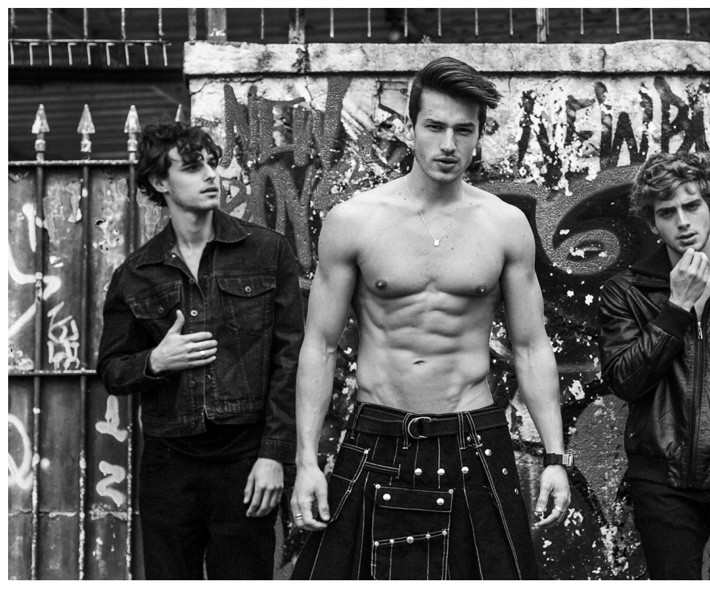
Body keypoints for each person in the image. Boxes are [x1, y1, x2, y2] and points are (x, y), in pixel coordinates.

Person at [289, 56, 571, 580]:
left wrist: (555, 457)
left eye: (464, 131)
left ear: (480, 135)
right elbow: (320, 345)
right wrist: (306, 460)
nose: (448, 144)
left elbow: (531, 346)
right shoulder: (354, 221)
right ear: (410, 126)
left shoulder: (505, 225)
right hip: (377, 435)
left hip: (474, 437)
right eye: (435, 127)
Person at [96, 121, 304, 579]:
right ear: (159, 182)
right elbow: (111, 369)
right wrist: (155, 361)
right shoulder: (137, 273)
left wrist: (273, 455)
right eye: (192, 167)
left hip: (244, 459)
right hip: (170, 464)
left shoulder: (266, 251)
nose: (211, 174)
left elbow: (290, 359)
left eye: (212, 163)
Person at [598, 151, 710, 580]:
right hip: (663, 483)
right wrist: (677, 307)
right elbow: (625, 381)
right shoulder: (625, 292)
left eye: (692, 205)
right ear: (652, 223)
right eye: (667, 212)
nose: (683, 222)